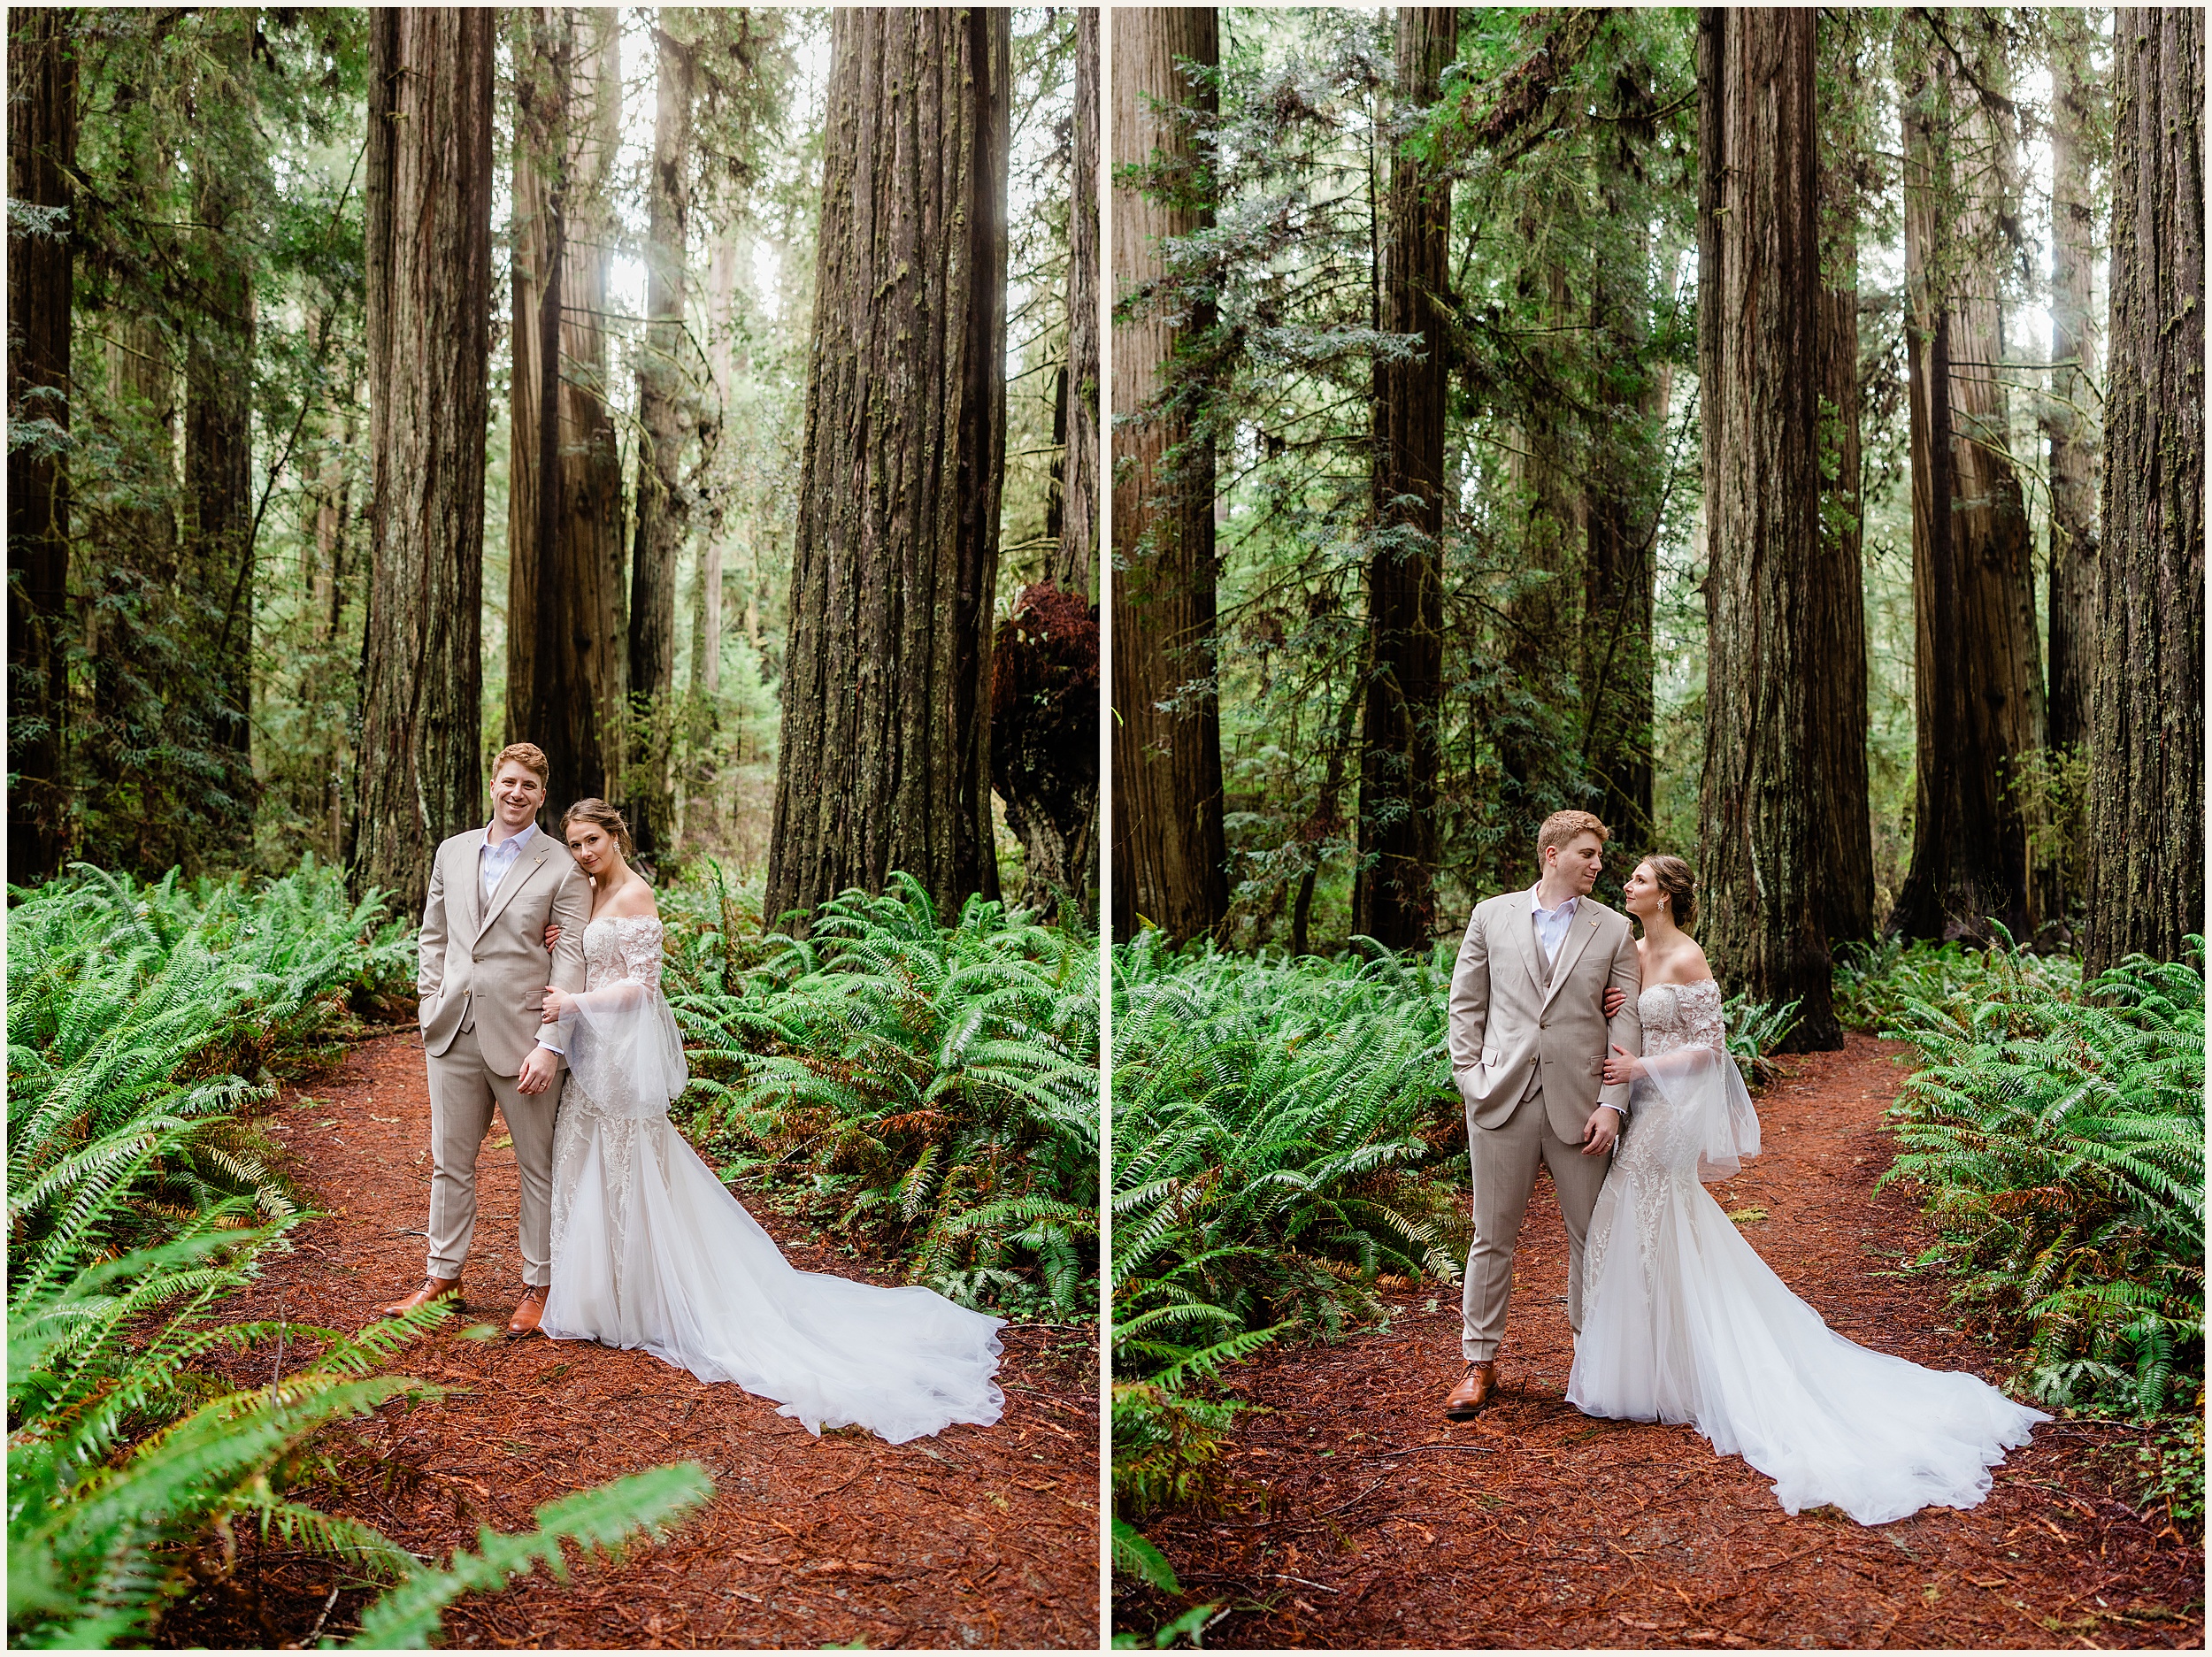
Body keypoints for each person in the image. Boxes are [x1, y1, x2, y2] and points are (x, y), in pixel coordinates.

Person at [1569, 854, 2048, 1524]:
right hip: (1642, 1105)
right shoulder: (1633, 947)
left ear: (1668, 894)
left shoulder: (1686, 955)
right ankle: (1659, 1362)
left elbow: (1711, 1049)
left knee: (1648, 1209)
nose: (1628, 883)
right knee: (1645, 1216)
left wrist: (1641, 1060)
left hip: (1672, 1110)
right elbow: (1624, 1014)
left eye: (1641, 879)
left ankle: (1679, 1366)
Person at [533, 799, 1006, 1444]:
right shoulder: (586, 889)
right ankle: (595, 1292)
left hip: (622, 1047)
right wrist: (563, 946)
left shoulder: (638, 895)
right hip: (593, 1050)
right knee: (588, 1156)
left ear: (616, 835)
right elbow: (586, 951)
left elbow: (643, 988)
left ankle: (640, 1295)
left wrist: (576, 999)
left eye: (592, 841)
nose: (584, 852)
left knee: (631, 1163)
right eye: (575, 844)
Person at [383, 742, 591, 1339]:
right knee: (449, 1162)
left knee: (537, 1166)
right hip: (452, 1030)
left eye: (528, 784)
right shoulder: (452, 852)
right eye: (508, 781)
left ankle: (540, 1285)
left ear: (541, 794)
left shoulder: (561, 865)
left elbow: (570, 959)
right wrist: (429, 1002)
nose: (516, 792)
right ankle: (442, 1279)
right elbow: (434, 934)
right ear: (492, 784)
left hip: (524, 1038)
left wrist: (551, 1044)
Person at [1442, 809, 1643, 1420]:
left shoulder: (1613, 929)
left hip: (1583, 1109)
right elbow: (1465, 1004)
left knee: (1591, 1237)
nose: (1598, 864)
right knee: (1490, 1236)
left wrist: (1613, 1105)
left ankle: (1590, 1357)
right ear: (1552, 854)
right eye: (1587, 853)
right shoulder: (1490, 914)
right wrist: (1472, 1080)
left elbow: (1626, 1019)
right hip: (1500, 1100)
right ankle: (1479, 1361)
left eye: (1600, 855)